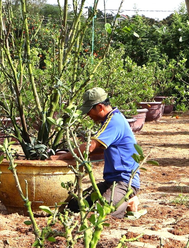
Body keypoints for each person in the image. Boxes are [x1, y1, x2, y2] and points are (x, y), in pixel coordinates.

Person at [51, 87, 142, 218]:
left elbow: (90, 146)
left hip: (124, 182)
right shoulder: (110, 119)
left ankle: (129, 200)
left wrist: (62, 157)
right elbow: (98, 149)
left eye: (89, 111)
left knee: (102, 214)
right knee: (75, 206)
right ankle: (122, 201)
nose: (88, 115)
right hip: (110, 182)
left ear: (100, 107)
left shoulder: (114, 121)